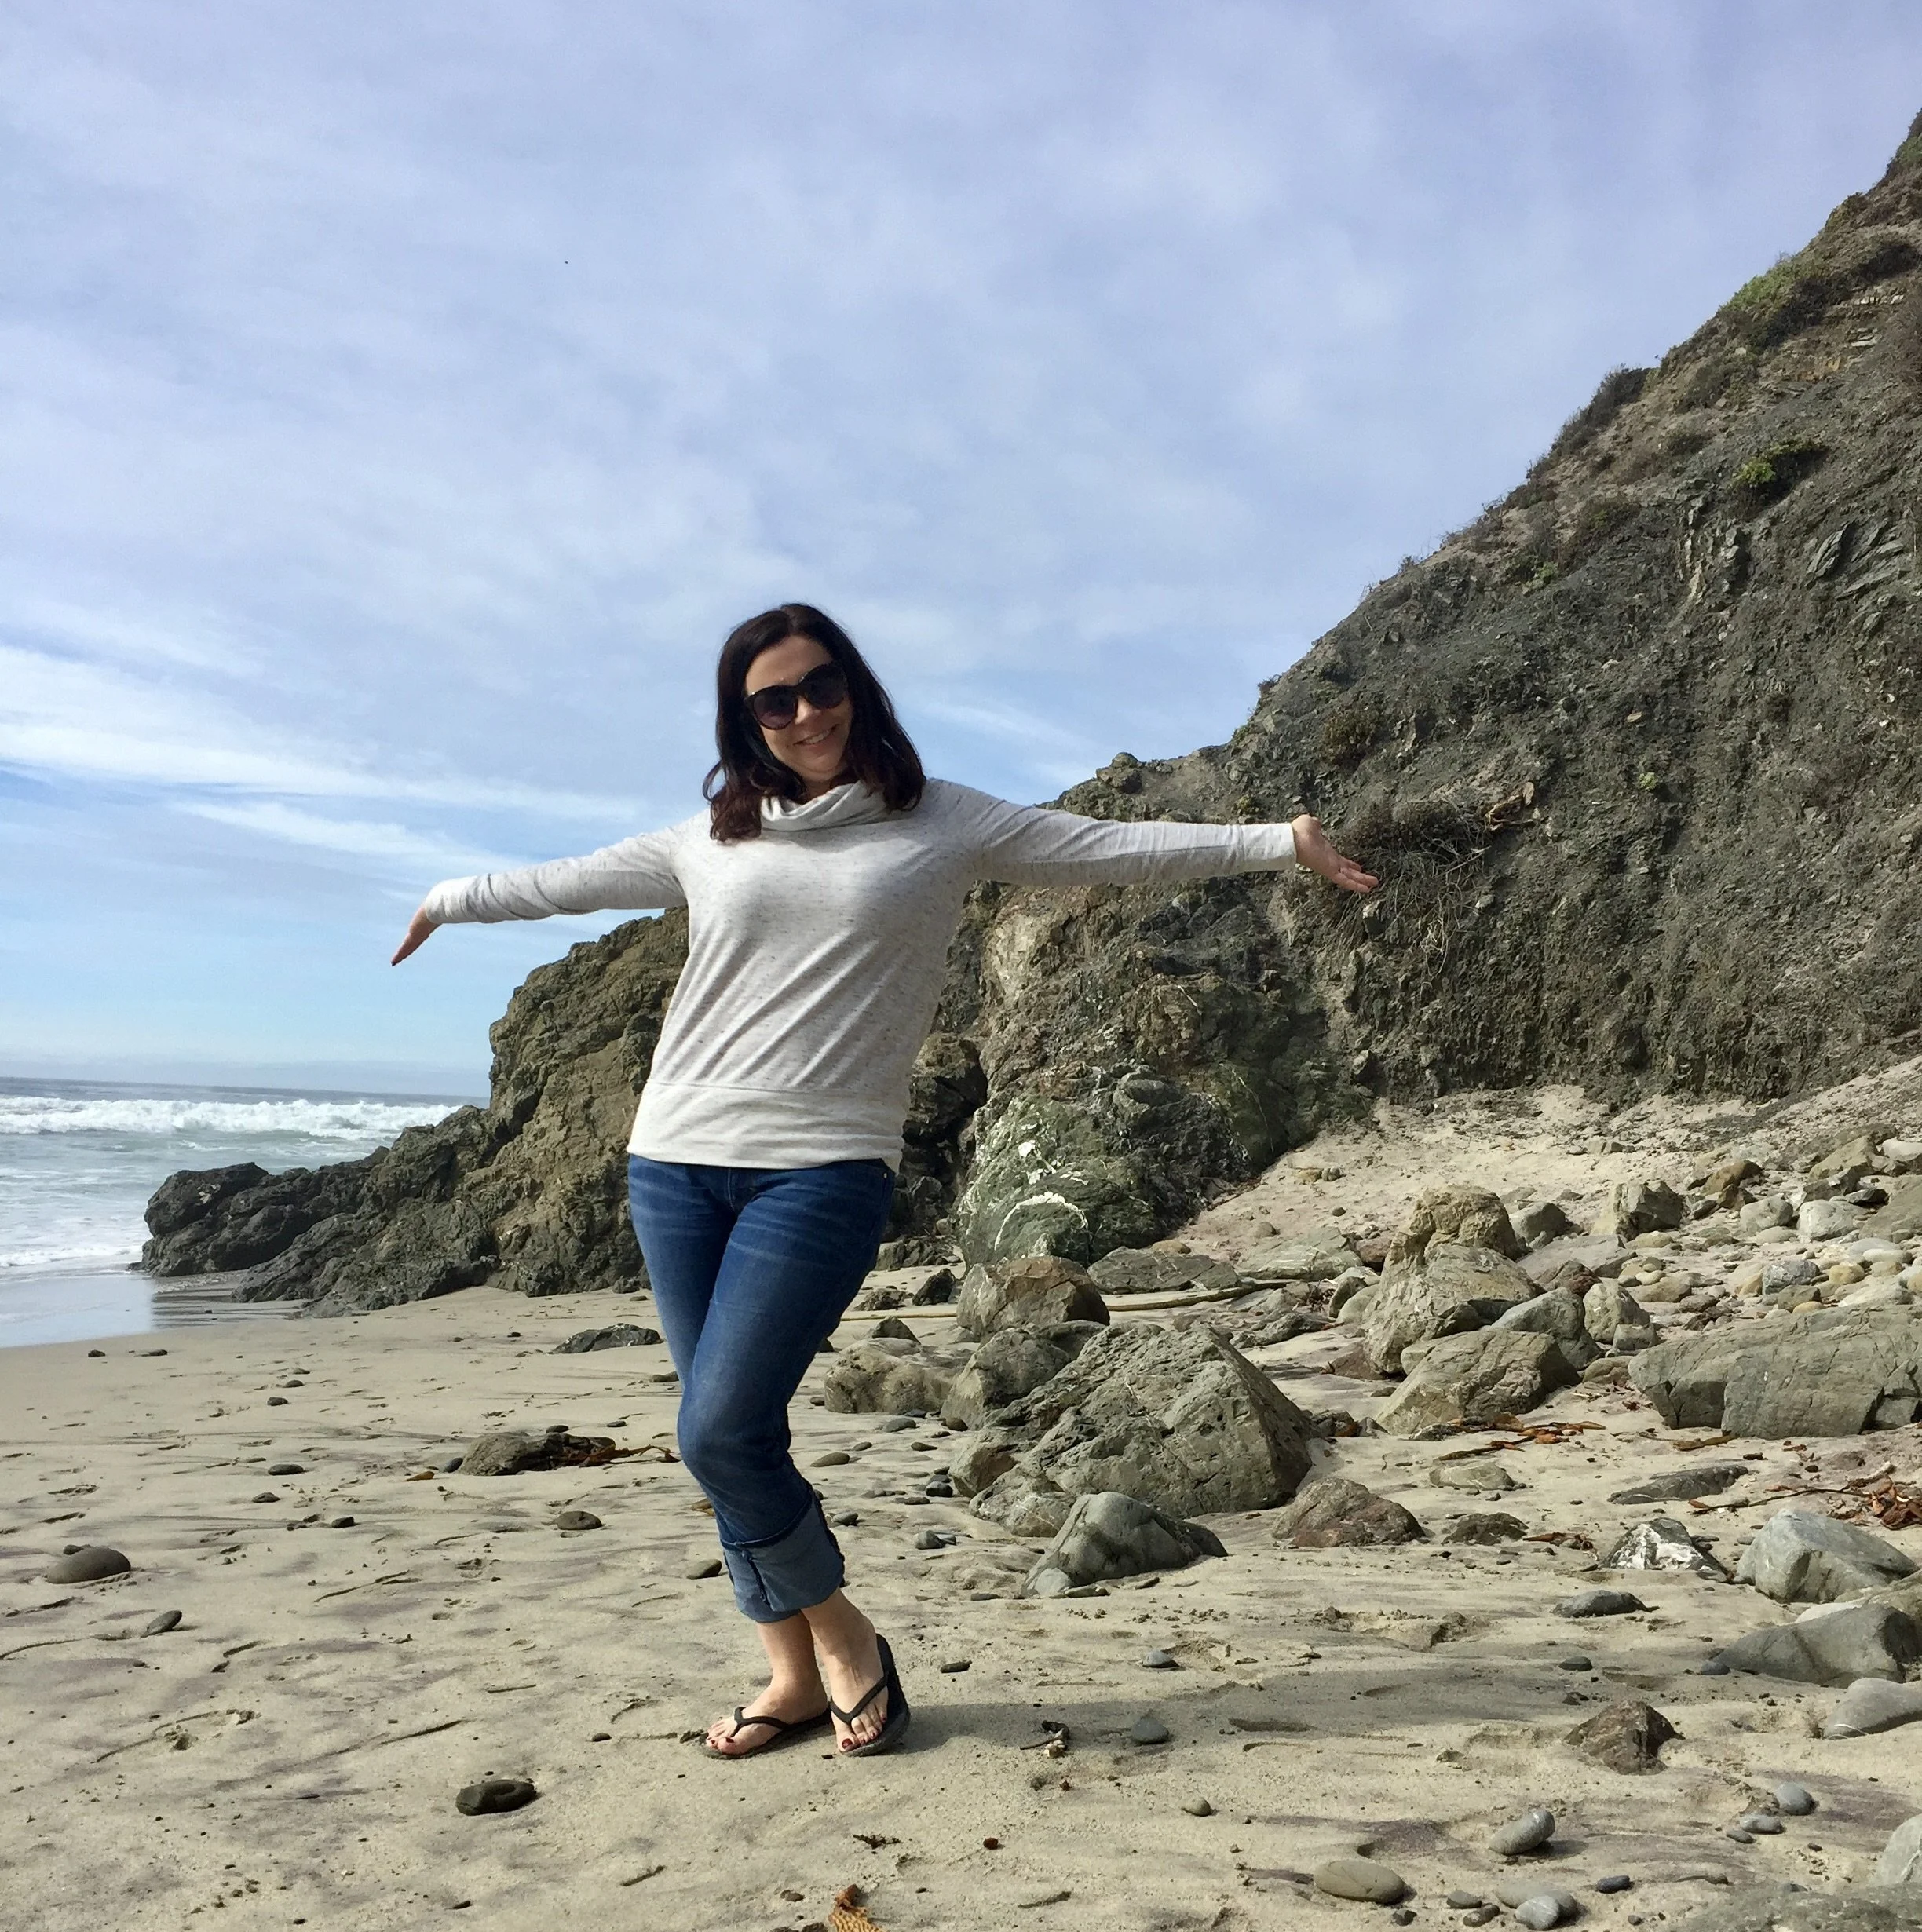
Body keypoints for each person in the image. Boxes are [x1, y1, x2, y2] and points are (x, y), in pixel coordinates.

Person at [393, 602, 1378, 1760]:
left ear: (854, 688)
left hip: (819, 1173)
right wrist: (449, 898)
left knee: (717, 1431)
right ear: (744, 722)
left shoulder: (941, 823)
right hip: (672, 1166)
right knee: (732, 1436)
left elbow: (1110, 848)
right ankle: (789, 1671)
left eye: (820, 686)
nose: (804, 713)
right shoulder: (711, 840)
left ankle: (845, 1640)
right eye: (774, 701)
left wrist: (1276, 840)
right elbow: (562, 883)